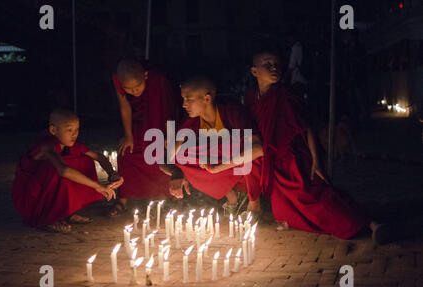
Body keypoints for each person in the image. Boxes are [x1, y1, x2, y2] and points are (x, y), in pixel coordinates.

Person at [245, 50, 391, 244]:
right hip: (272, 161)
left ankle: (370, 224)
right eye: (267, 64)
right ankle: (362, 221)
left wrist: (316, 160)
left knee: (315, 196)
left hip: (294, 158)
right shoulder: (250, 98)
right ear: (255, 71)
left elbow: (307, 128)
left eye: (277, 64)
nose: (274, 68)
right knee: (286, 211)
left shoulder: (286, 96)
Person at [161, 76, 263, 216]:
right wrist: (176, 173)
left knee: (247, 149)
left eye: (189, 99)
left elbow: (258, 149)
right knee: (183, 155)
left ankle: (254, 203)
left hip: (236, 164)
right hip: (218, 164)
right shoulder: (191, 122)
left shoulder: (232, 112)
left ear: (207, 99)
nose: (184, 105)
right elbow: (165, 158)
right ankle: (231, 195)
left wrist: (217, 168)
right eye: (183, 99)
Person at [12, 109, 123, 233]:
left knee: (83, 160)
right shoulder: (46, 146)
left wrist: (112, 173)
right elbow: (64, 171)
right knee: (56, 169)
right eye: (69, 130)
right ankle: (48, 219)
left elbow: (98, 156)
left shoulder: (69, 144)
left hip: (43, 190)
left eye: (77, 130)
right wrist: (98, 186)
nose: (74, 134)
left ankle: (65, 212)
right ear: (53, 130)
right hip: (30, 199)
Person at [111, 57, 181, 215]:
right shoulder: (118, 79)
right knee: (126, 153)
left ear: (146, 76)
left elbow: (168, 109)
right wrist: (128, 136)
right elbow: (125, 107)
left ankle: (174, 193)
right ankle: (123, 198)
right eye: (129, 89)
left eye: (138, 86)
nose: (135, 91)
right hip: (139, 124)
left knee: (163, 154)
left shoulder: (158, 80)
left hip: (160, 127)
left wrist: (169, 135)